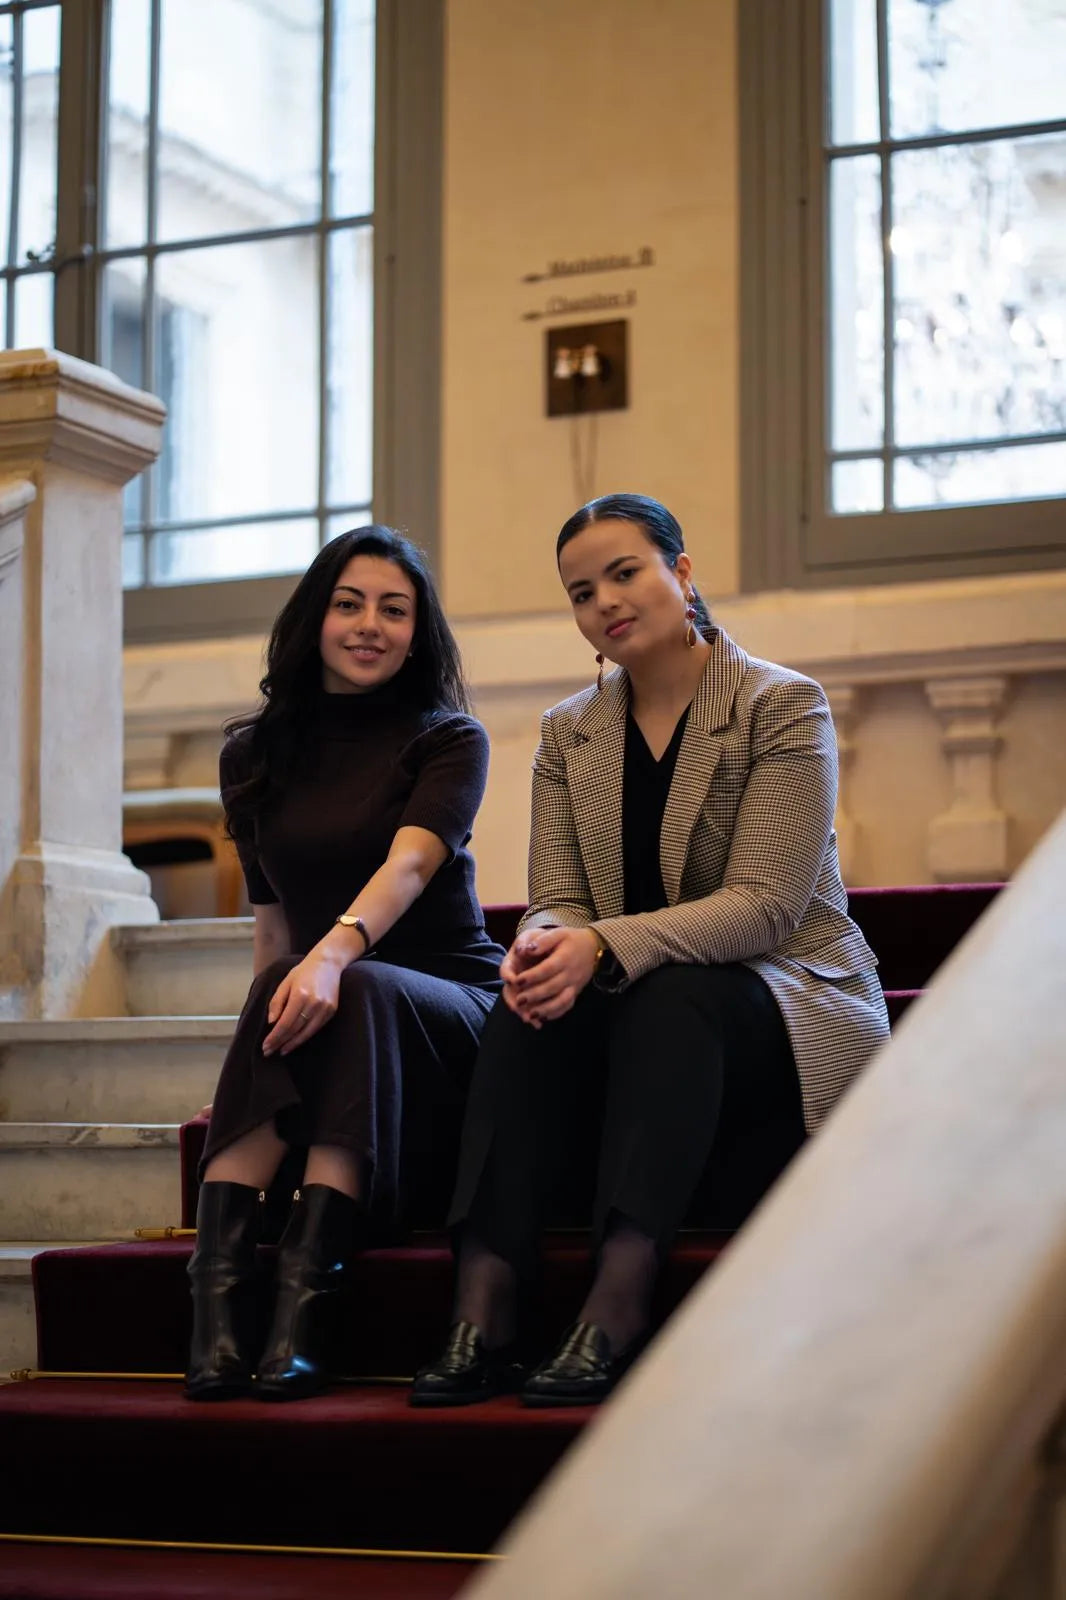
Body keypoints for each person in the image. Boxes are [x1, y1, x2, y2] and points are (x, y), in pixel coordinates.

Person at [412, 493, 890, 1409]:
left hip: (785, 998)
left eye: (625, 572)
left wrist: (596, 943)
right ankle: (485, 1304)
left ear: (682, 571)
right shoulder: (568, 731)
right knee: (523, 1003)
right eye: (582, 591)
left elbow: (764, 908)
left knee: (679, 997)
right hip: (643, 1022)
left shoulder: (781, 706)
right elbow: (559, 898)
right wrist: (545, 944)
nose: (607, 602)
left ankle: (618, 1304)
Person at [185, 526, 504, 1403]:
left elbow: (406, 869)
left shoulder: (448, 740)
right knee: (291, 985)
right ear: (314, 618)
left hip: (453, 1004)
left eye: (394, 610)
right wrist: (249, 1052)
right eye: (350, 603)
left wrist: (328, 959)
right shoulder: (252, 754)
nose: (371, 625)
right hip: (335, 999)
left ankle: (303, 1304)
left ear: (418, 631)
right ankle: (213, 1315)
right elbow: (274, 930)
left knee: (350, 981)